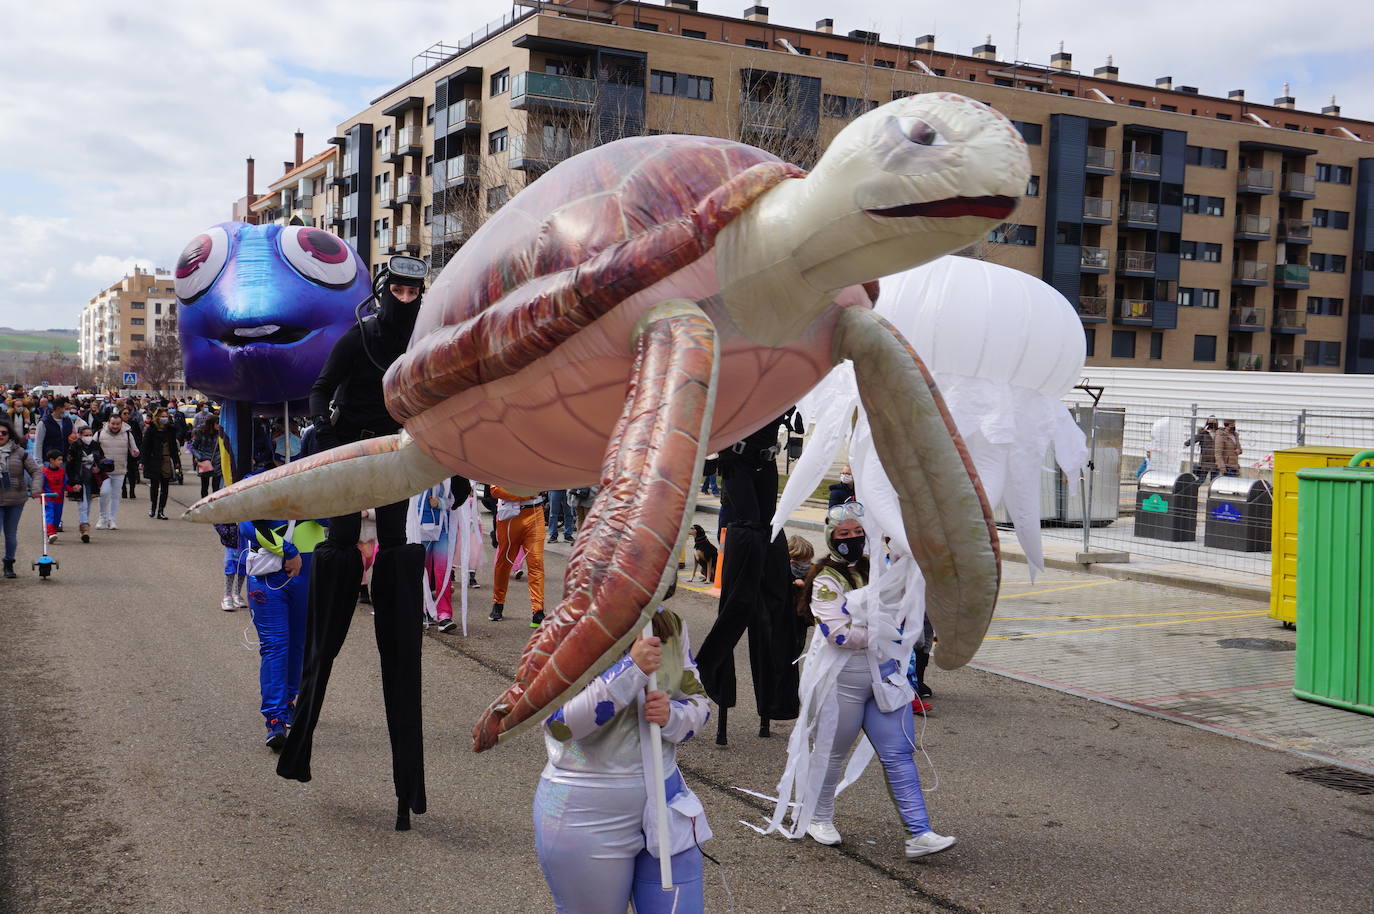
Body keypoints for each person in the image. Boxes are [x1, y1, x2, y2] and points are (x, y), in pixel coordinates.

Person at [286, 256, 429, 830]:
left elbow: (441, 402)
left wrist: (460, 464)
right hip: (350, 452)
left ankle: (406, 792)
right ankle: (301, 734)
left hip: (395, 455)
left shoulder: (422, 342)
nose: (405, 295)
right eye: (396, 287)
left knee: (395, 546)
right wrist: (319, 428)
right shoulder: (359, 336)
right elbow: (321, 389)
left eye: (413, 289)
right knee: (341, 547)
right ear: (382, 290)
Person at [775, 502, 954, 859]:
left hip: (885, 677)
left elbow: (905, 585)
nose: (853, 539)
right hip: (842, 681)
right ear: (831, 538)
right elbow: (838, 634)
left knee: (900, 753)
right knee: (831, 753)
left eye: (858, 533)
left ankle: (919, 832)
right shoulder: (825, 578)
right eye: (844, 534)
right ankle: (818, 816)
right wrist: (884, 631)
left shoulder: (878, 567)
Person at [534, 598, 712, 914]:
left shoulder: (669, 623)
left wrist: (672, 716)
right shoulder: (568, 622)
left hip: (667, 804)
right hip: (583, 809)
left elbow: (698, 701)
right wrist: (630, 670)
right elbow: (559, 725)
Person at [696, 408, 804, 743]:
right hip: (737, 463)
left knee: (771, 594)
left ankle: (773, 701)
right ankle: (709, 672)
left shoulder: (786, 374)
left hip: (766, 464)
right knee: (747, 543)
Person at [239, 510, 326, 750]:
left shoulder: (312, 475)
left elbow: (330, 519)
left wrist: (313, 503)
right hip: (270, 573)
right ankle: (274, 718)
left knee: (300, 642)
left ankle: (288, 703)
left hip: (309, 567)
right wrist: (288, 551)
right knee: (276, 645)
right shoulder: (256, 477)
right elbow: (246, 523)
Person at [489, 486, 546, 626]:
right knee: (504, 563)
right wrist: (526, 495)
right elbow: (495, 490)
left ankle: (538, 610)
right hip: (510, 517)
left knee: (536, 562)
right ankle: (498, 602)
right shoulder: (501, 463)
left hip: (535, 513)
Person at [0, 419, 44, 578]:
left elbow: (36, 472)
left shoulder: (20, 452)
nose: (0, 435)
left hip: (15, 500)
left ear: (9, 434)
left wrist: (36, 487)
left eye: (3, 433)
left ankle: (9, 563)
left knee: (10, 534)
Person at [94, 412, 137, 530]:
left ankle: (112, 519)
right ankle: (102, 517)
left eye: (118, 424)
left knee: (115, 496)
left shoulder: (127, 434)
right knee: (103, 493)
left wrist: (135, 453)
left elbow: (134, 449)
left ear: (121, 423)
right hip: (104, 471)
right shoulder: (99, 433)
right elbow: (92, 449)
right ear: (108, 423)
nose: (115, 426)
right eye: (113, 423)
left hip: (120, 469)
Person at [66, 423, 104, 543]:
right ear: (80, 435)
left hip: (92, 480)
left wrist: (99, 468)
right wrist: (73, 483)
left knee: (88, 504)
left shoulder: (96, 446)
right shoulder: (74, 447)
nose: (88, 437)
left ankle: (84, 525)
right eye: (86, 435)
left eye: (90, 435)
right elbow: (70, 466)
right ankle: (85, 528)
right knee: (82, 505)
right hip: (79, 479)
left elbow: (102, 460)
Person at [141, 407, 181, 519]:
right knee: (154, 486)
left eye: (166, 416)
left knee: (165, 486)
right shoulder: (151, 430)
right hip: (154, 460)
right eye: (162, 416)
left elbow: (174, 447)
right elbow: (145, 446)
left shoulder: (170, 430)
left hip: (167, 460)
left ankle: (161, 510)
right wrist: (143, 461)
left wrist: (177, 461)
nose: (164, 418)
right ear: (157, 417)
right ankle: (153, 507)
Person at [190, 416, 224, 497]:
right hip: (205, 462)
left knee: (216, 487)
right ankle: (204, 503)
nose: (219, 425)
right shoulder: (200, 432)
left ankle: (215, 504)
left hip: (217, 462)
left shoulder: (220, 433)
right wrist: (200, 457)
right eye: (217, 423)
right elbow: (193, 447)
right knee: (204, 486)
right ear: (211, 424)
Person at [40, 450, 66, 545]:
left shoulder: (62, 471)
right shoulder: (45, 472)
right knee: (49, 515)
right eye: (59, 460)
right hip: (49, 498)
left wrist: (73, 489)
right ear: (51, 460)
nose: (61, 462)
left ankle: (52, 533)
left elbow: (65, 484)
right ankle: (50, 533)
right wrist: (42, 499)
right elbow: (41, 486)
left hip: (59, 499)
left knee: (57, 518)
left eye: (61, 460)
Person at [1185, 417, 1219, 484]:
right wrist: (1186, 444)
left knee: (1214, 482)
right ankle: (1191, 490)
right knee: (1201, 480)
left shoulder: (1219, 433)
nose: (1212, 424)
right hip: (1205, 460)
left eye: (1214, 422)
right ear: (1207, 423)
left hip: (1216, 460)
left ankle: (1211, 493)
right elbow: (1194, 439)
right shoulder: (1203, 433)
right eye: (1210, 422)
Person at [119, 408, 143, 500]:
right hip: (121, 453)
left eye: (128, 413)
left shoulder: (133, 424)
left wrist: (138, 449)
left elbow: (139, 437)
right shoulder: (118, 425)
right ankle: (124, 490)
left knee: (132, 472)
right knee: (122, 473)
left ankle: (132, 491)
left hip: (131, 453)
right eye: (124, 413)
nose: (127, 415)